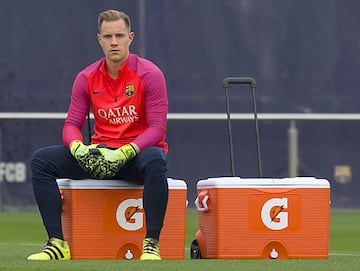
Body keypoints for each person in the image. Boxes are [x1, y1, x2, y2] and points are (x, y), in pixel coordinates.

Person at [27, 9, 169, 261]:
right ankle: (57, 244)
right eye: (108, 36)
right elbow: (71, 124)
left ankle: (151, 244)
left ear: (130, 38)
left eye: (119, 35)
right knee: (41, 161)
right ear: (99, 40)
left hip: (135, 158)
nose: (114, 41)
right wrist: (78, 148)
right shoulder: (86, 77)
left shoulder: (150, 74)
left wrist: (127, 150)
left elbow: (157, 129)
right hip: (101, 156)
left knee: (157, 159)